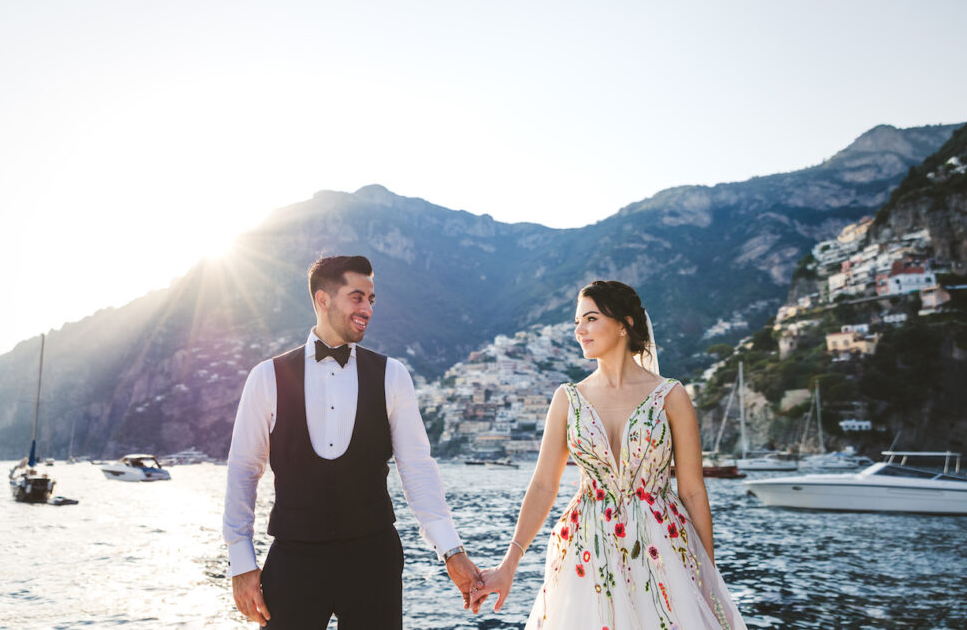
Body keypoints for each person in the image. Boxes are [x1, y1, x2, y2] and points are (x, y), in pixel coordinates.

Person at [223, 255, 485, 629]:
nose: (367, 309)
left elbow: (418, 469)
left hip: (373, 558)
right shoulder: (266, 377)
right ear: (322, 300)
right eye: (357, 297)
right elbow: (244, 470)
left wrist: (452, 552)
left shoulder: (393, 376)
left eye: (372, 299)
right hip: (294, 560)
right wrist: (242, 562)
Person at [470, 280, 746, 629]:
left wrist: (708, 573)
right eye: (577, 323)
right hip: (587, 549)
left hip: (662, 551)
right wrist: (508, 565)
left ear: (624, 323)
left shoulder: (671, 396)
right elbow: (543, 485)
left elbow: (691, 490)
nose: (579, 331)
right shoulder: (567, 399)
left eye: (590, 319)